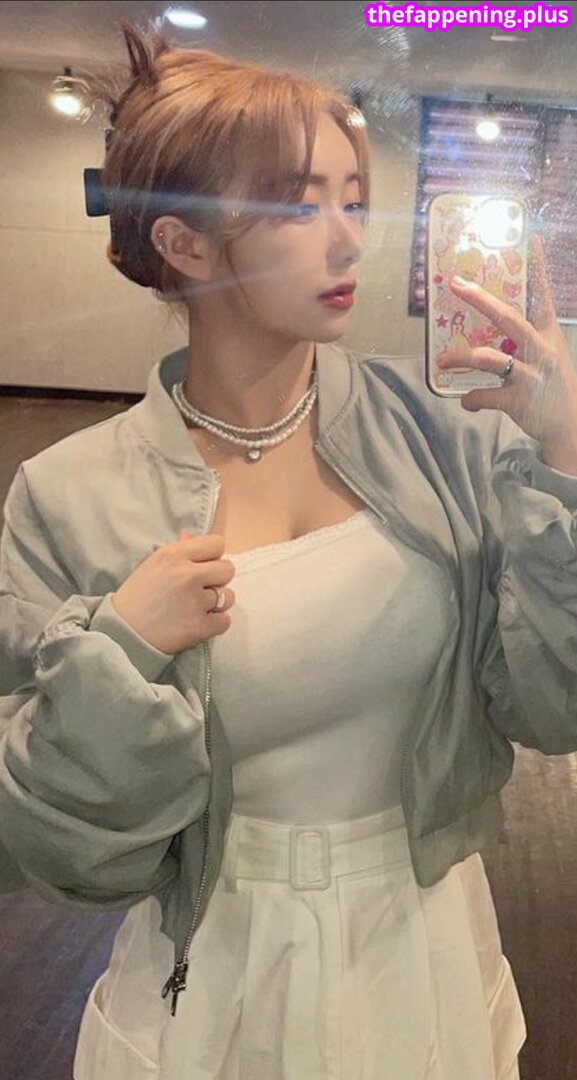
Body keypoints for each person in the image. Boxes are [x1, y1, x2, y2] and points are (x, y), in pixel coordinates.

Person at [1, 17, 577, 1080]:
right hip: (210, 961)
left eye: (353, 200)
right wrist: (120, 651)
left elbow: (555, 710)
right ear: (185, 244)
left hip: (422, 934)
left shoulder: (445, 440)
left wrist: (564, 459)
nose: (349, 239)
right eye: (299, 204)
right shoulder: (68, 495)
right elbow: (43, 842)